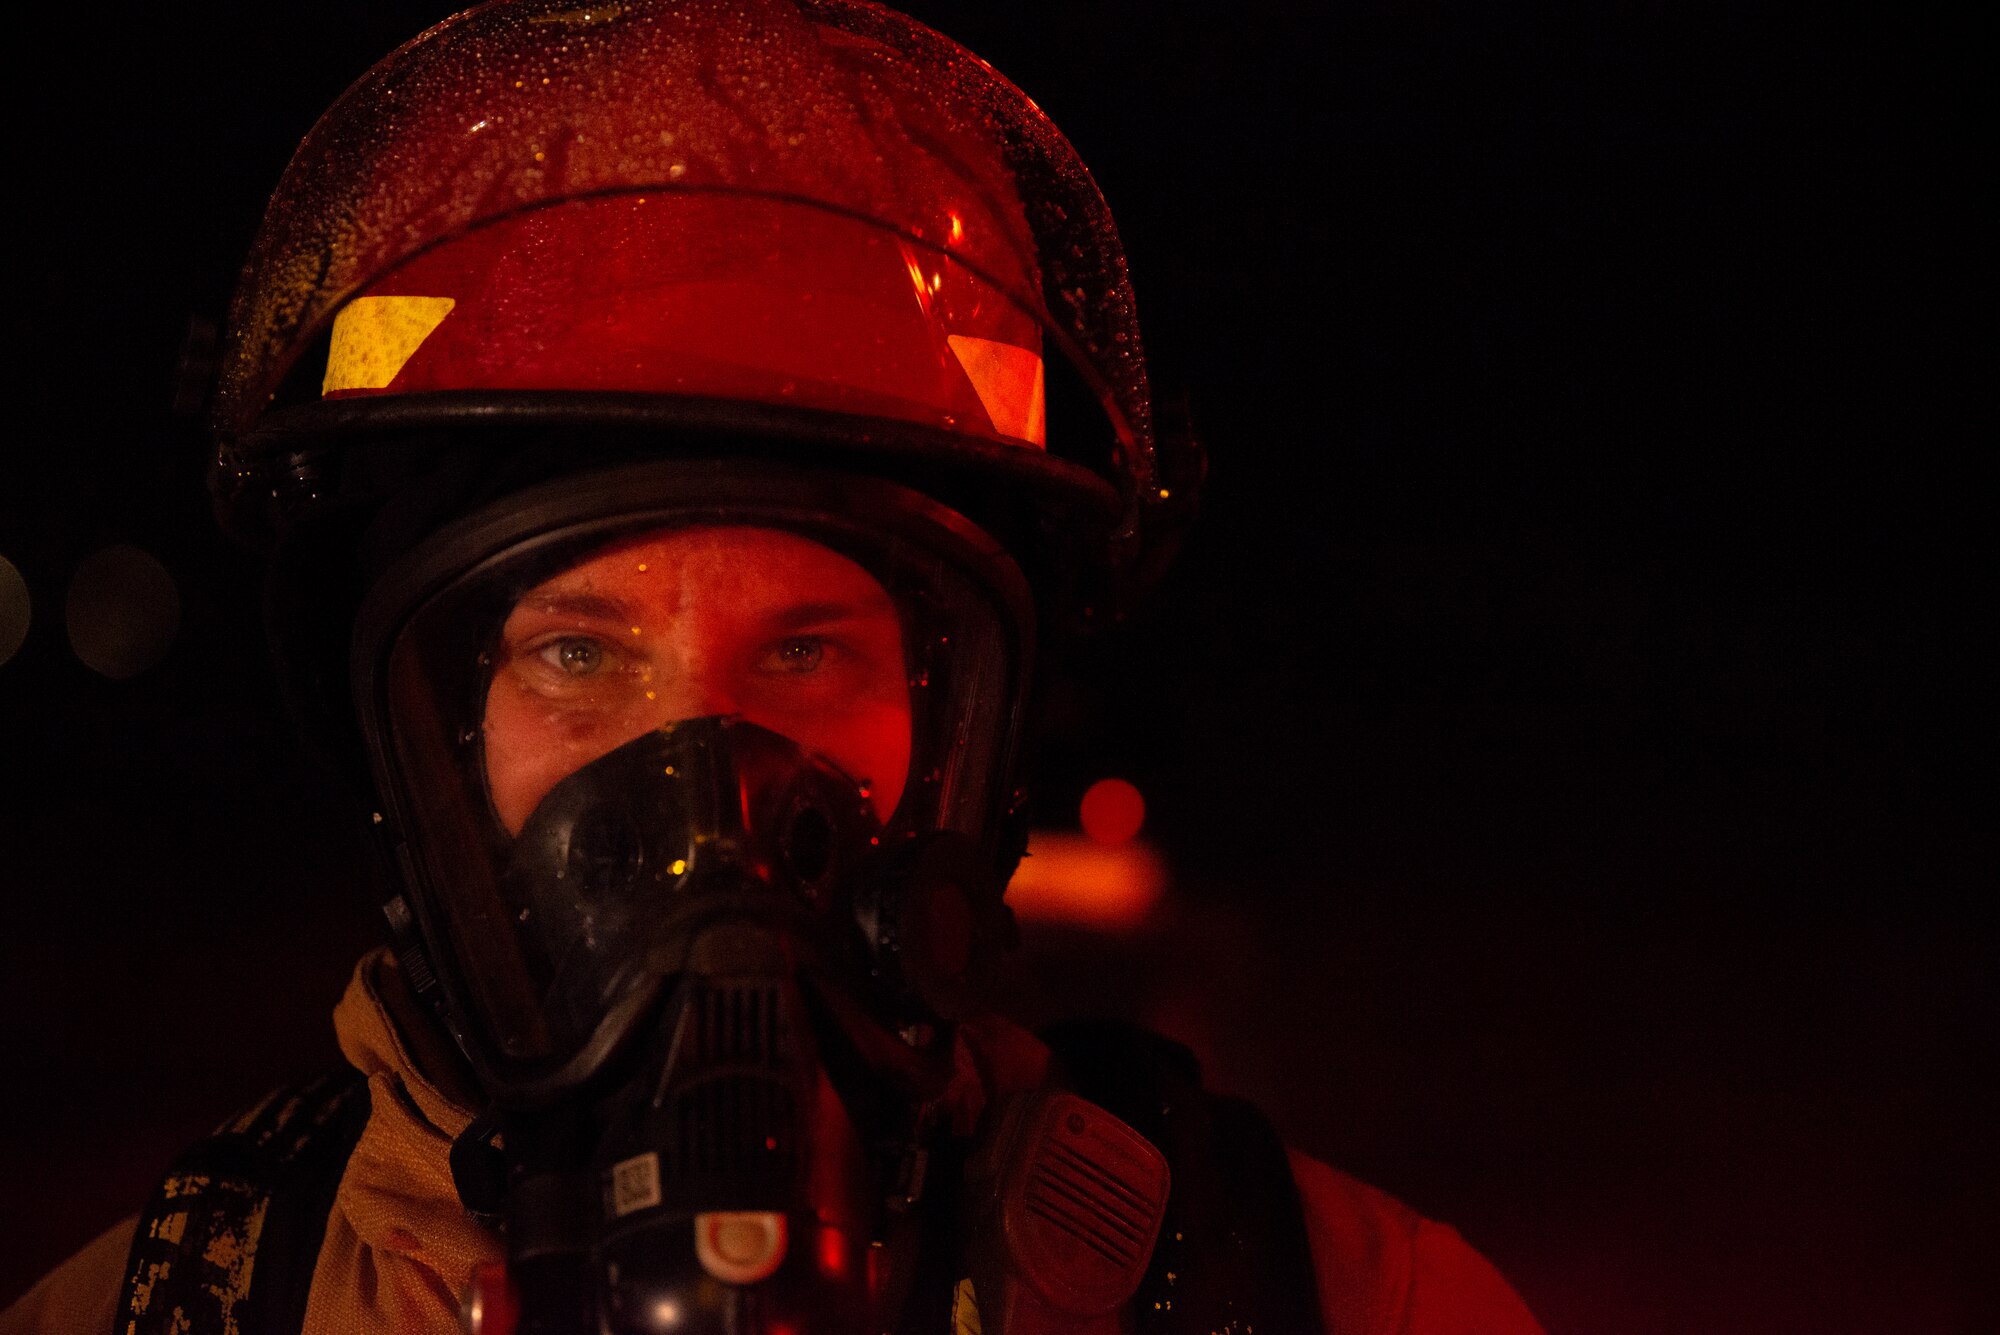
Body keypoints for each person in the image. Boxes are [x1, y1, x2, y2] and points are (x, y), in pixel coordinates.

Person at [2, 2, 1542, 1331]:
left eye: (804, 651)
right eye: (582, 654)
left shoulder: (1325, 1298)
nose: (705, 788)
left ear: (963, 742)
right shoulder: (181, 1304)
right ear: (429, 756)